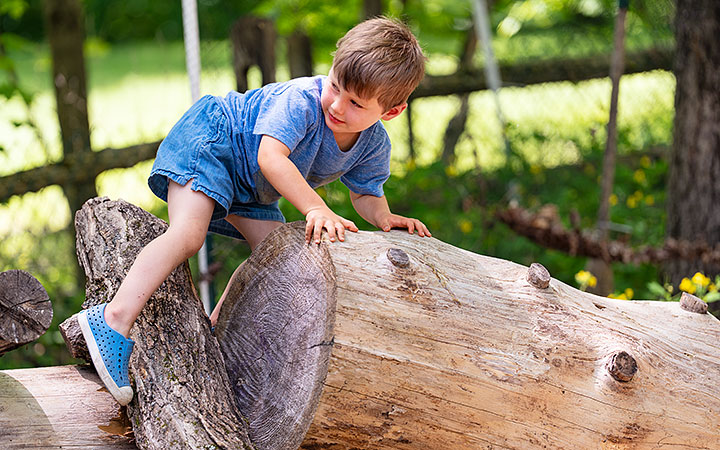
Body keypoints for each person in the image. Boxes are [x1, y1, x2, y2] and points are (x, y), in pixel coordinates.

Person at [78, 16, 431, 406]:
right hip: (216, 142)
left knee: (277, 259)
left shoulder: (373, 145)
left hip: (250, 189)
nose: (336, 104)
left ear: (392, 111)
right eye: (334, 86)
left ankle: (213, 334)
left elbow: (365, 193)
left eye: (355, 103)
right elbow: (270, 156)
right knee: (188, 234)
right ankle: (112, 320)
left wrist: (383, 217)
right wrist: (315, 207)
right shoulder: (301, 101)